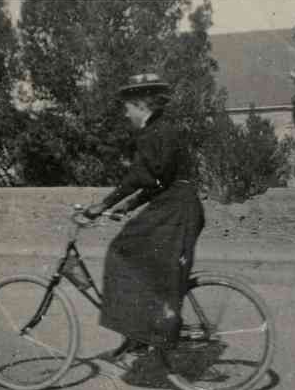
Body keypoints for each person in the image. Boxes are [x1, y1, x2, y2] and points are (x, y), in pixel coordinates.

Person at [83, 73, 205, 361]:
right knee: (141, 261)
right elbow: (158, 180)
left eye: (128, 106)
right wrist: (129, 205)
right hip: (179, 205)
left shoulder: (153, 134)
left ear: (141, 105)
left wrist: (104, 203)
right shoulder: (163, 130)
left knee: (121, 250)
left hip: (175, 210)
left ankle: (143, 332)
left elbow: (140, 176)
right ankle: (140, 332)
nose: (125, 112)